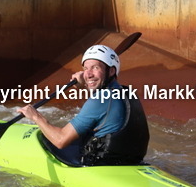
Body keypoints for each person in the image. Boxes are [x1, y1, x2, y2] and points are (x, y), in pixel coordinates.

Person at [16, 44, 149, 166]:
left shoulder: (99, 100)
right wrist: (85, 86)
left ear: (112, 71)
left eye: (95, 67)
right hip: (129, 161)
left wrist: (36, 117)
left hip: (100, 165)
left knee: (46, 140)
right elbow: (103, 110)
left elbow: (60, 140)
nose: (88, 74)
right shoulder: (125, 92)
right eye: (85, 68)